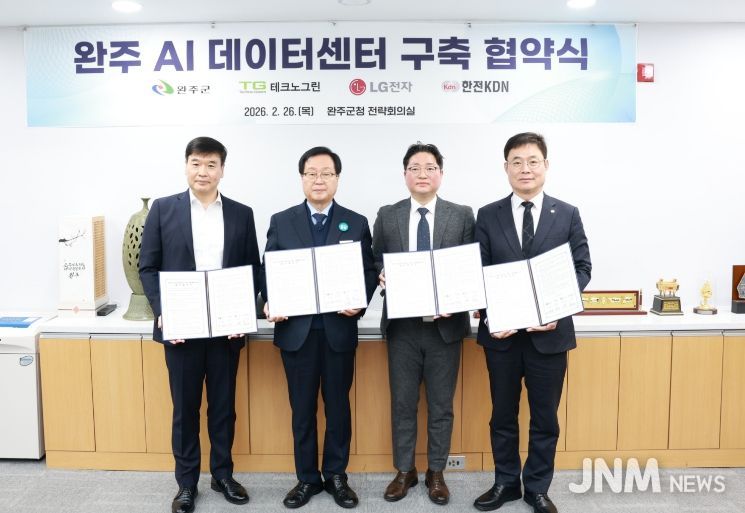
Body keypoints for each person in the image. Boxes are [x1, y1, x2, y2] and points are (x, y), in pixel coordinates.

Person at [139, 136, 260, 513]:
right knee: (185, 410)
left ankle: (222, 475)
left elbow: (252, 269)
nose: (203, 171)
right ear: (186, 166)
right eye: (196, 163)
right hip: (181, 329)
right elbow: (148, 267)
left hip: (226, 330)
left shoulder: (241, 213)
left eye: (211, 164)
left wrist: (243, 312)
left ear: (222, 170)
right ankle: (186, 484)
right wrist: (164, 310)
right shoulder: (163, 209)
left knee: (223, 408)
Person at [473, 133, 591, 513]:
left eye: (533, 161)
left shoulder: (567, 213)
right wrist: (490, 314)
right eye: (517, 161)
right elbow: (479, 271)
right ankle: (506, 483)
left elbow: (582, 268)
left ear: (545, 165)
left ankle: (537, 487)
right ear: (506, 167)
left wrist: (557, 307)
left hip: (550, 336)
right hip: (503, 336)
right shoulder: (487, 214)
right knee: (502, 416)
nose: (525, 168)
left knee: (545, 419)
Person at [261, 146, 377, 509]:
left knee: (338, 408)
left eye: (327, 173)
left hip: (338, 330)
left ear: (337, 179)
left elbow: (368, 271)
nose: (319, 180)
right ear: (302, 178)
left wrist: (360, 301)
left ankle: (337, 476)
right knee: (302, 410)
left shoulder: (356, 222)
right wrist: (268, 300)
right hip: (296, 332)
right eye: (311, 173)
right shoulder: (282, 221)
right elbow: (268, 269)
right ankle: (307, 478)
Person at [371, 142, 475, 506]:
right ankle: (405, 471)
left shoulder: (462, 215)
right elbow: (374, 260)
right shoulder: (388, 215)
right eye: (414, 168)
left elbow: (470, 266)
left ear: (441, 174)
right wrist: (381, 274)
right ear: (405, 175)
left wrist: (457, 300)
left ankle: (436, 472)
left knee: (441, 405)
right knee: (403, 403)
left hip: (445, 329)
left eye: (430, 167)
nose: (422, 174)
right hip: (403, 328)